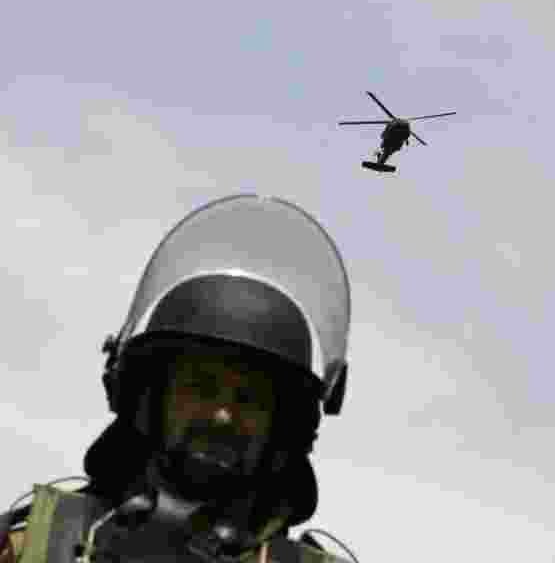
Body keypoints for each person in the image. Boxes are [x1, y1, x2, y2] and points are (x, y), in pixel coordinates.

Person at [0, 194, 358, 563]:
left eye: (248, 399)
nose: (223, 415)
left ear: (282, 428)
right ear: (149, 399)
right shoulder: (31, 547)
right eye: (202, 387)